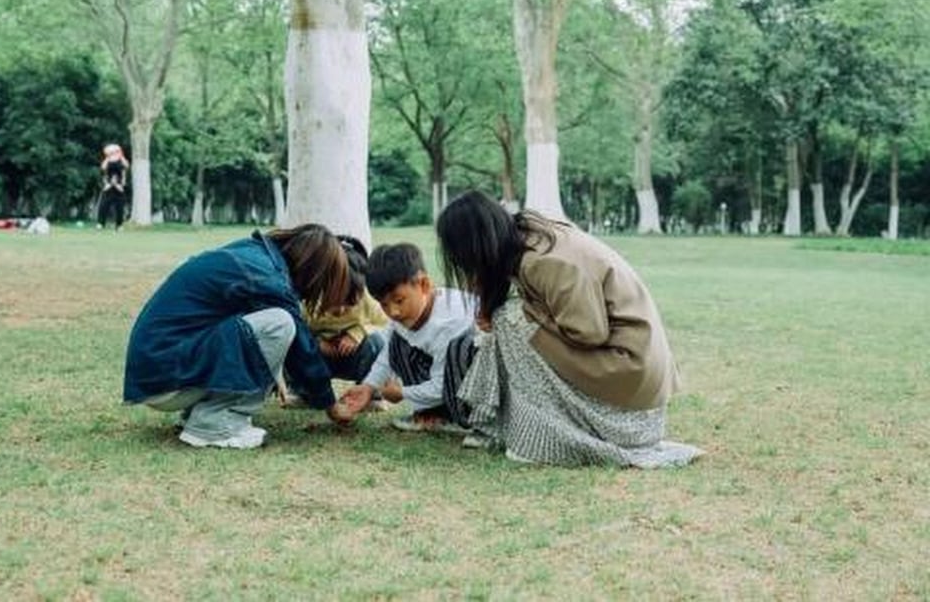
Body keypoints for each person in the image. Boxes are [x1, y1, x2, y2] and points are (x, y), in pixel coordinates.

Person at [435, 190, 703, 468]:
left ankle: (544, 438)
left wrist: (530, 311)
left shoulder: (542, 261)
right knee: (509, 316)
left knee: (511, 318)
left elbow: (588, 333)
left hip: (629, 396)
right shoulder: (533, 240)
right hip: (639, 392)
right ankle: (509, 427)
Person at [123, 224, 355, 449]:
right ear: (314, 272)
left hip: (156, 371)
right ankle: (216, 423)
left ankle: (203, 412)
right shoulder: (267, 278)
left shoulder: (253, 254)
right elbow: (302, 349)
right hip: (167, 377)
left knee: (272, 323)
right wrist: (330, 404)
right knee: (280, 324)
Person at [340, 242, 477, 433]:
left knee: (459, 348)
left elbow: (444, 383)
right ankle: (434, 414)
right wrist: (368, 387)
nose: (393, 312)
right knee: (397, 342)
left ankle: (466, 419)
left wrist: (403, 393)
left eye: (399, 300)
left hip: (476, 383)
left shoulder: (448, 323)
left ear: (424, 285)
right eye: (384, 304)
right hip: (445, 376)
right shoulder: (406, 316)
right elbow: (388, 354)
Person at [280, 236, 391, 409]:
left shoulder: (366, 300)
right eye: (334, 302)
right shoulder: (308, 303)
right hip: (319, 360)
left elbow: (386, 326)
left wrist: (357, 333)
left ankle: (370, 393)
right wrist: (317, 343)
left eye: (349, 304)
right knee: (292, 341)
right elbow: (296, 330)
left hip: (355, 358)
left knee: (377, 342)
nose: (340, 310)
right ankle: (303, 392)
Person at [97, 143, 129, 230]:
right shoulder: (107, 161)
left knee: (120, 207)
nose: (114, 153)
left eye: (115, 151)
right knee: (103, 205)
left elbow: (126, 167)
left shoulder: (121, 160)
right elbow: (103, 168)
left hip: (119, 186)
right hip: (108, 186)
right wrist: (108, 157)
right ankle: (100, 224)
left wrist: (120, 155)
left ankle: (119, 225)